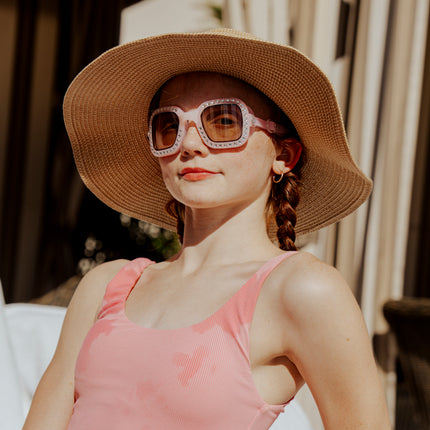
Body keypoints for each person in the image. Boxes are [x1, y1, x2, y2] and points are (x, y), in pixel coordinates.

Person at [23, 28, 391, 429]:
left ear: (284, 154)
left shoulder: (301, 290)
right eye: (169, 125)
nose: (190, 143)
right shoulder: (105, 287)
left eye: (223, 121)